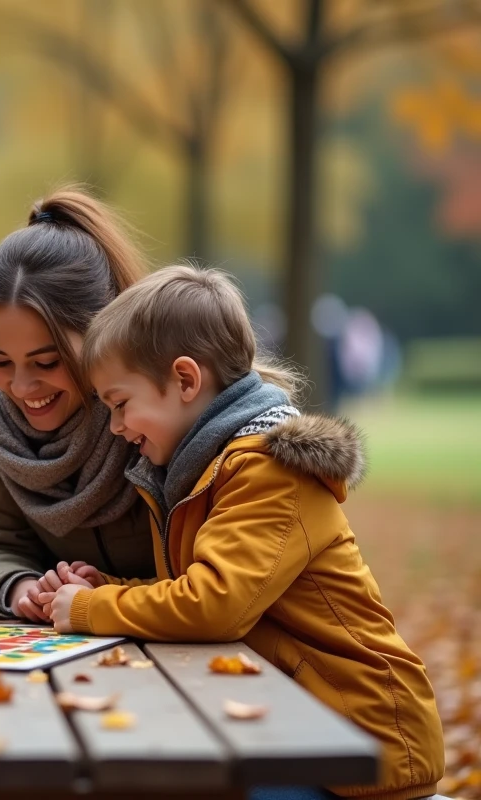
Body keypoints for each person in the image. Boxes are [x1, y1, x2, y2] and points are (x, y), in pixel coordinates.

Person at [41, 265, 444, 800]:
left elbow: (215, 605)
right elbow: (205, 590)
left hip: (361, 746)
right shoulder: (206, 469)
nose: (116, 427)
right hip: (291, 727)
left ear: (186, 380)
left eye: (120, 404)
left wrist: (93, 609)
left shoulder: (268, 472)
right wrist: (107, 587)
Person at [0, 187, 155, 622]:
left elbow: (213, 577)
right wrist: (19, 588)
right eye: (1, 360)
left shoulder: (163, 404)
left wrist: (102, 597)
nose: (21, 386)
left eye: (47, 362)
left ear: (103, 334)